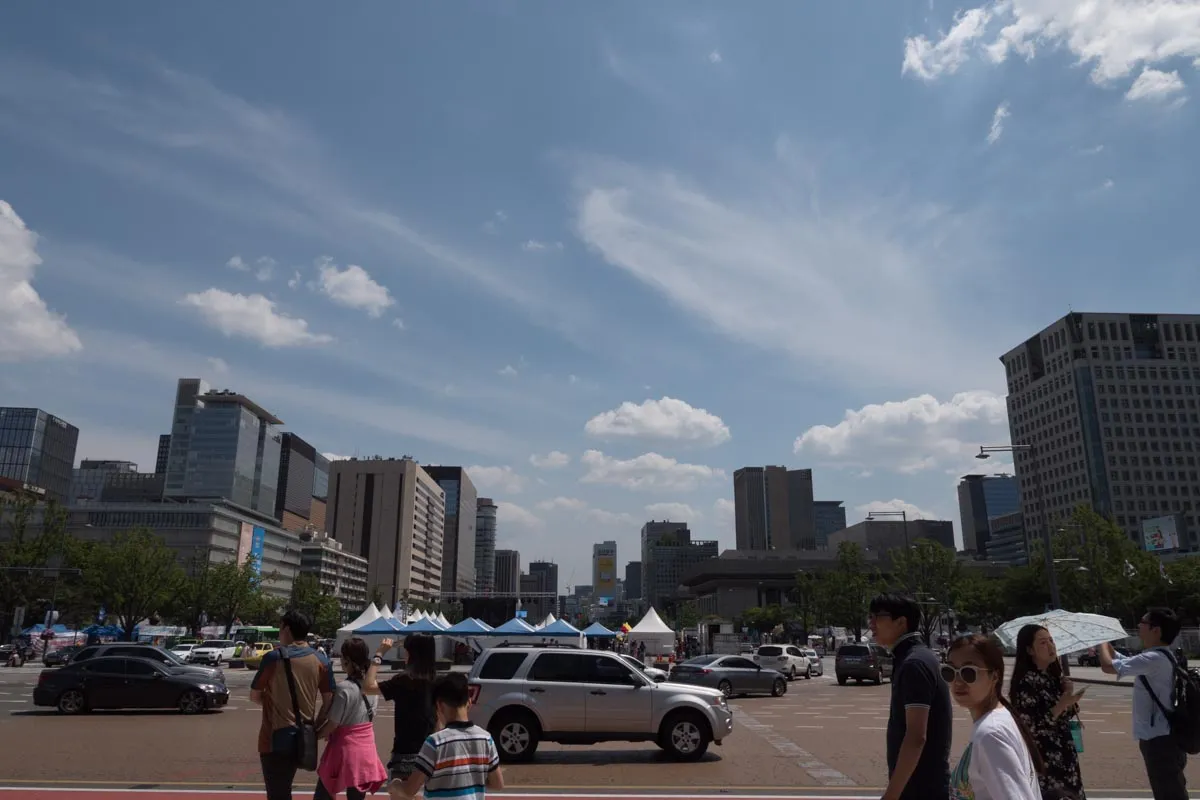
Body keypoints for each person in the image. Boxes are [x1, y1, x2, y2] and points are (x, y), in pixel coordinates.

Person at [867, 592, 952, 800]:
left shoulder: (914, 663)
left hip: (920, 789)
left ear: (901, 622)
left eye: (878, 617)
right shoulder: (914, 657)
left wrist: (891, 795)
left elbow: (916, 737)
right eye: (870, 617)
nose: (871, 623)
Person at [1099, 607, 1188, 800]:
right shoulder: (1160, 656)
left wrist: (1101, 641)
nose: (1139, 626)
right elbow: (1123, 662)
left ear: (1156, 630)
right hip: (1163, 737)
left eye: (1143, 622)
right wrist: (1108, 645)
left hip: (1159, 741)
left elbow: (1107, 666)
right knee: (1170, 792)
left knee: (1169, 794)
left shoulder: (1153, 658)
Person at [945, 635, 1043, 799]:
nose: (958, 681)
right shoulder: (999, 720)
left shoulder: (990, 733)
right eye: (949, 672)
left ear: (994, 676)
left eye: (969, 672)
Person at [251, 609, 335, 800]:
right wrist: (314, 727)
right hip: (304, 738)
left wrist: (273, 703)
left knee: (278, 793)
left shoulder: (273, 658)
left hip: (274, 739)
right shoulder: (321, 661)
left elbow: (255, 695)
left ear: (287, 629)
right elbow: (329, 701)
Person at [396, 672, 503, 800]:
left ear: (440, 706)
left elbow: (410, 790)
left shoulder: (435, 743)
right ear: (469, 702)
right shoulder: (486, 739)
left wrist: (395, 785)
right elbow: (498, 784)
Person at [1010, 624, 1087, 798]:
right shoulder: (1026, 682)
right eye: (1043, 642)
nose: (1051, 646)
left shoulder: (1053, 678)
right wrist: (1061, 704)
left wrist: (1069, 697)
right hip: (1045, 759)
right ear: (1030, 650)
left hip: (1065, 754)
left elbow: (1064, 713)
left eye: (1051, 640)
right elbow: (1031, 727)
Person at [314, 637, 388, 800]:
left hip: (344, 750)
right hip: (366, 749)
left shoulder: (343, 688)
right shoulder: (371, 685)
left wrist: (314, 735)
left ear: (347, 660)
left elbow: (333, 724)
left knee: (324, 794)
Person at [362, 634, 437, 786]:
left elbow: (368, 687)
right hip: (431, 754)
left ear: (411, 653)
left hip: (405, 755)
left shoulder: (404, 680)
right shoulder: (436, 681)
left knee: (401, 792)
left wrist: (379, 654)